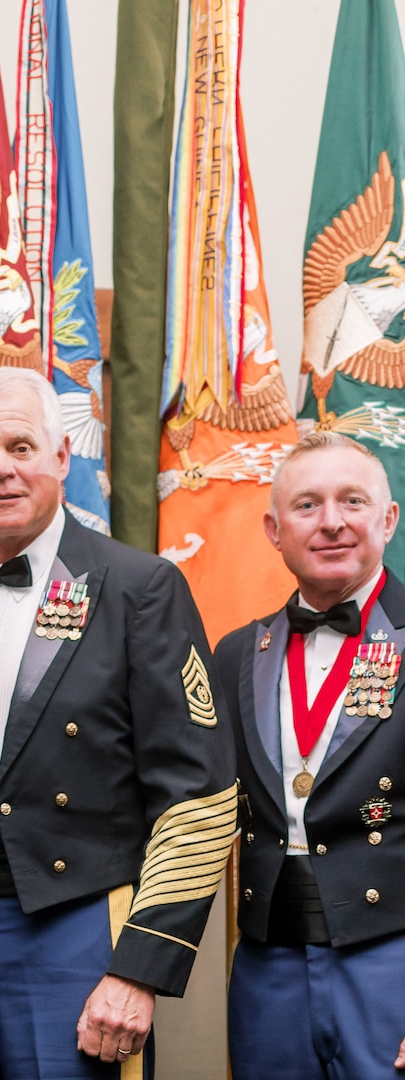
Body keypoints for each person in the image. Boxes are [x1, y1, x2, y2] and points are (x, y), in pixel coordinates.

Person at [0, 367, 235, 1078]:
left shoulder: (140, 587)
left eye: (22, 447)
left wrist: (140, 967)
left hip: (72, 923)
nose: (2, 470)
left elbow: (198, 795)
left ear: (61, 457)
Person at [215, 432, 405, 1077]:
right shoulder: (239, 653)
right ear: (274, 529)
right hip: (268, 962)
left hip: (391, 960)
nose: (331, 522)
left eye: (352, 501)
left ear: (388, 518)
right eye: (307, 505)